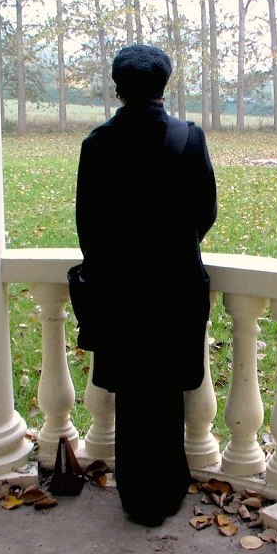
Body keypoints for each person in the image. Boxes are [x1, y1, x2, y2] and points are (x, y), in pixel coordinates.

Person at [73, 44, 217, 527]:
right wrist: (173, 247)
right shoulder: (188, 138)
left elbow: (87, 227)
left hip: (120, 294)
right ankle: (167, 489)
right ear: (164, 86)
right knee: (166, 391)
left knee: (133, 395)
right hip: (174, 287)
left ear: (118, 87)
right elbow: (206, 212)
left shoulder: (96, 145)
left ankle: (135, 495)